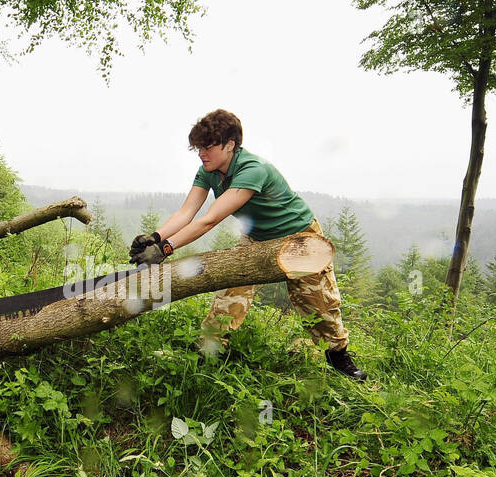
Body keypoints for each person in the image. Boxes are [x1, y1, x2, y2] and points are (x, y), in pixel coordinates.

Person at [129, 109, 367, 381]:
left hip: (299, 237)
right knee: (231, 294)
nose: (201, 153)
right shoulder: (208, 171)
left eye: (207, 147)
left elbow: (210, 219)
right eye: (198, 148)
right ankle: (210, 352)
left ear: (230, 145)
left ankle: (340, 359)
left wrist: (166, 250)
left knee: (317, 305)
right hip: (256, 238)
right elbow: (187, 213)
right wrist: (155, 238)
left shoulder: (252, 169)